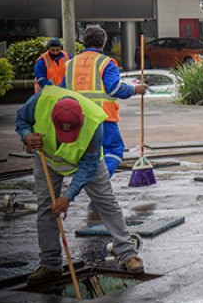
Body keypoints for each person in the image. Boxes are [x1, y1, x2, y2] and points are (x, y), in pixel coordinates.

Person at [15, 85, 144, 284]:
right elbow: (20, 120)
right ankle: (50, 264)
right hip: (47, 157)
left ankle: (127, 254)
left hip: (88, 159)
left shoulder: (94, 122)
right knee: (46, 207)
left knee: (106, 202)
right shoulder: (40, 102)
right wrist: (26, 136)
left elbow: (89, 166)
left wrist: (68, 196)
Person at [63, 25, 145, 178]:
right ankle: (100, 182)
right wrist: (135, 89)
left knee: (88, 152)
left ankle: (88, 182)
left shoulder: (69, 65)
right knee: (113, 149)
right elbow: (114, 88)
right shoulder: (106, 63)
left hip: (76, 117)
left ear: (84, 41)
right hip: (102, 117)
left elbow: (61, 92)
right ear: (103, 42)